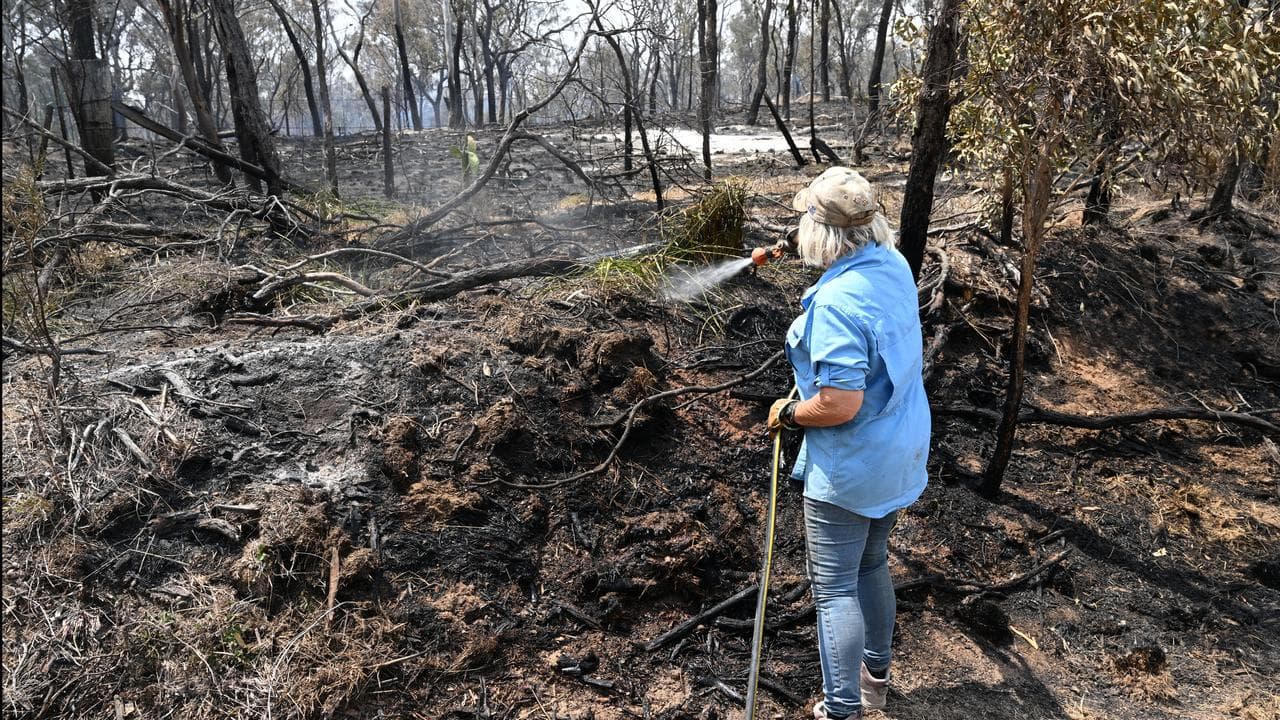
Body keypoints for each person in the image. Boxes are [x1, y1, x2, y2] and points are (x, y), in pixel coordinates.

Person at [767, 167, 931, 720]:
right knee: (871, 565)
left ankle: (842, 710)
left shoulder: (835, 305)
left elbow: (839, 404)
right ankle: (874, 680)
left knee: (835, 588)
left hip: (852, 466)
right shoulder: (893, 264)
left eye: (804, 220)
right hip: (899, 450)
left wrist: (791, 412)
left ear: (824, 232)